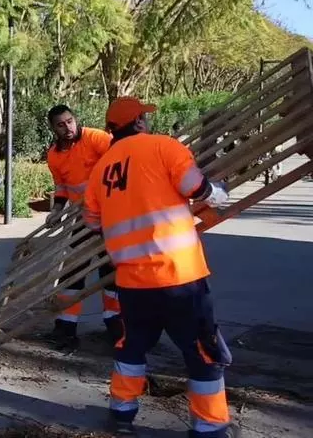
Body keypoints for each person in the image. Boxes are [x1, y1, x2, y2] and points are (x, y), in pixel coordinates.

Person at [83, 96, 238, 438]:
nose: (148, 122)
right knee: (202, 349)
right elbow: (195, 187)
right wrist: (219, 193)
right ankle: (210, 426)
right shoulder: (164, 147)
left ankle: (121, 413)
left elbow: (93, 220)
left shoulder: (102, 169)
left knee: (132, 345)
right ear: (138, 122)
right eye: (144, 118)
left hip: (132, 281)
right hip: (178, 275)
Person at [44, 104, 123, 350]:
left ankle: (116, 325)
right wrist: (57, 209)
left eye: (69, 121)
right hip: (81, 218)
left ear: (75, 119)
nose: (67, 127)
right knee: (72, 270)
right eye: (60, 124)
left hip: (110, 214)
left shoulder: (97, 138)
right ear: (53, 128)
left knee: (110, 271)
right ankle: (65, 327)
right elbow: (62, 186)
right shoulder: (54, 155)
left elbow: (120, 165)